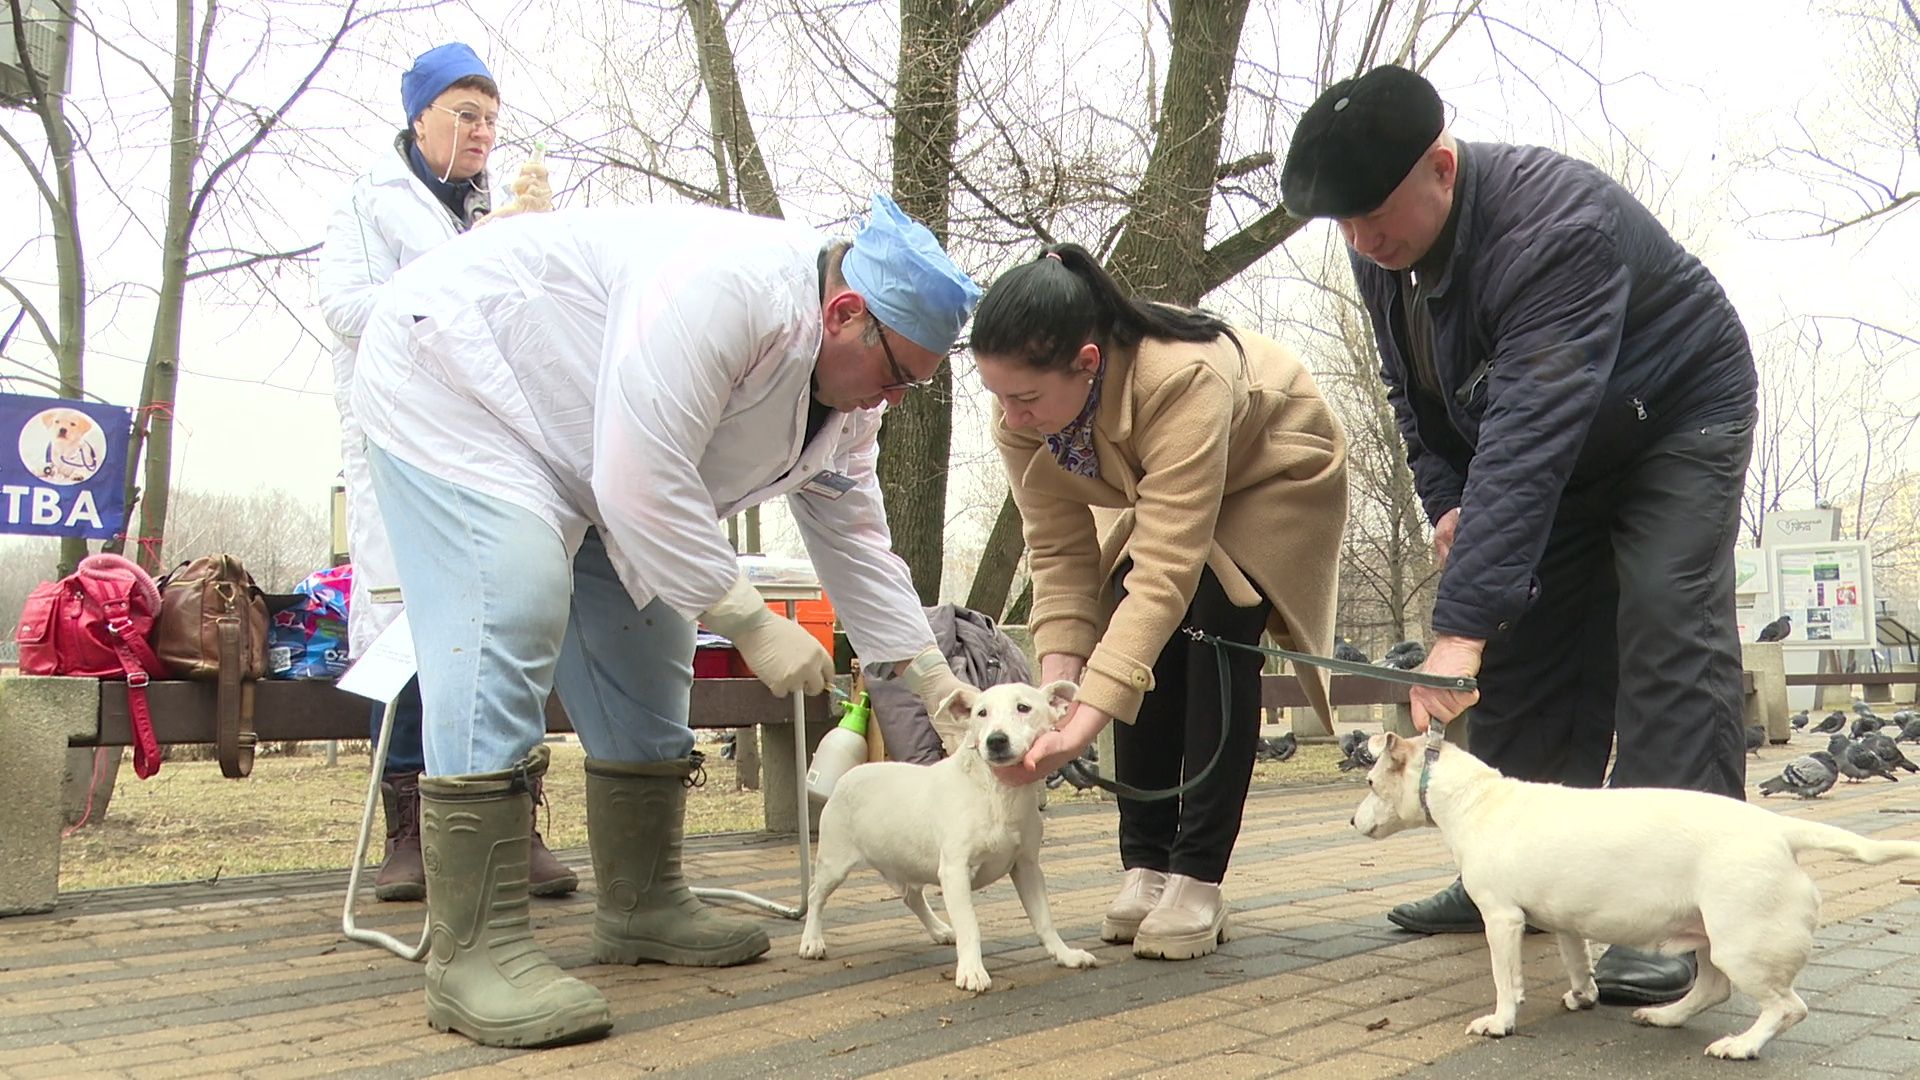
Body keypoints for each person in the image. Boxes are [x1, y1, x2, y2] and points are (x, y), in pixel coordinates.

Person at [349, 194, 980, 1047]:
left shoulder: (851, 400)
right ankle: (473, 954)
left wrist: (930, 678)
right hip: (462, 386)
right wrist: (751, 621)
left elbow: (854, 537)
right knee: (514, 602)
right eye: (897, 374)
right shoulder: (724, 289)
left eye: (914, 384)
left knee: (653, 637)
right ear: (844, 313)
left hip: (589, 450)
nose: (895, 399)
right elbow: (641, 479)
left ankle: (640, 901)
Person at [1280, 65, 1758, 1004]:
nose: (1362, 242)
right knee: (1531, 642)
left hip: (1674, 416)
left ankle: (1677, 911)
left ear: (1442, 168)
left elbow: (1532, 427)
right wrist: (1446, 502)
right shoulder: (1383, 251)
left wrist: (1459, 629)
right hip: (1557, 442)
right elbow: (1413, 399)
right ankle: (1511, 874)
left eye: (1372, 216)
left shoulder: (1555, 227)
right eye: (1344, 225)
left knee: (1664, 615)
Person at [970, 244, 1348, 962]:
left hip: (1272, 470)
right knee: (1122, 606)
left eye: (1026, 399)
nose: (1011, 416)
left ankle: (1198, 879)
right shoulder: (1022, 412)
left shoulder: (1181, 377)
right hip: (1167, 485)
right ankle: (1145, 865)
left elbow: (1168, 572)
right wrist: (1056, 698)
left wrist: (1081, 730)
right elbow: (1058, 553)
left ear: (1087, 362)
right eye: (998, 395)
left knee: (1216, 614)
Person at [316, 43, 570, 903]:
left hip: (494, 444)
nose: (482, 132)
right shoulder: (371, 202)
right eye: (465, 115)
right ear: (419, 117)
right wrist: (461, 267)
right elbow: (345, 308)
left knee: (507, 624)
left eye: (491, 119)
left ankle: (510, 822)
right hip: (402, 439)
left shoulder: (497, 208)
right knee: (413, 634)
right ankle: (412, 834)